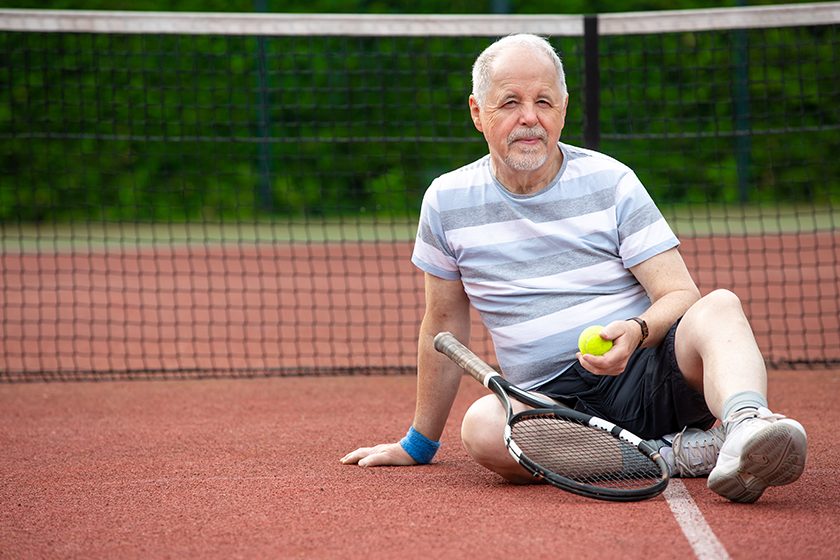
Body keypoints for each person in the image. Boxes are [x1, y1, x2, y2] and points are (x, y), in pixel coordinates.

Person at [340, 33, 807, 503]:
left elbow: (680, 294)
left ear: (563, 109)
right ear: (478, 113)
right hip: (553, 407)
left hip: (650, 369)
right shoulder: (445, 201)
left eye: (544, 101)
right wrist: (419, 444)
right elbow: (443, 325)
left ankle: (748, 427)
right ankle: (676, 456)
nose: (530, 117)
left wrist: (637, 330)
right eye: (510, 102)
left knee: (719, 306)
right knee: (483, 427)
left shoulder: (612, 181)